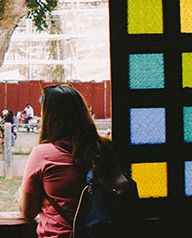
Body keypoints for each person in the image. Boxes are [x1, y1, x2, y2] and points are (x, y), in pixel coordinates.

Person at [16, 85, 120, 238]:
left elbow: (28, 211)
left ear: (49, 117)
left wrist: (20, 196)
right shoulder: (105, 149)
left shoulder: (42, 154)